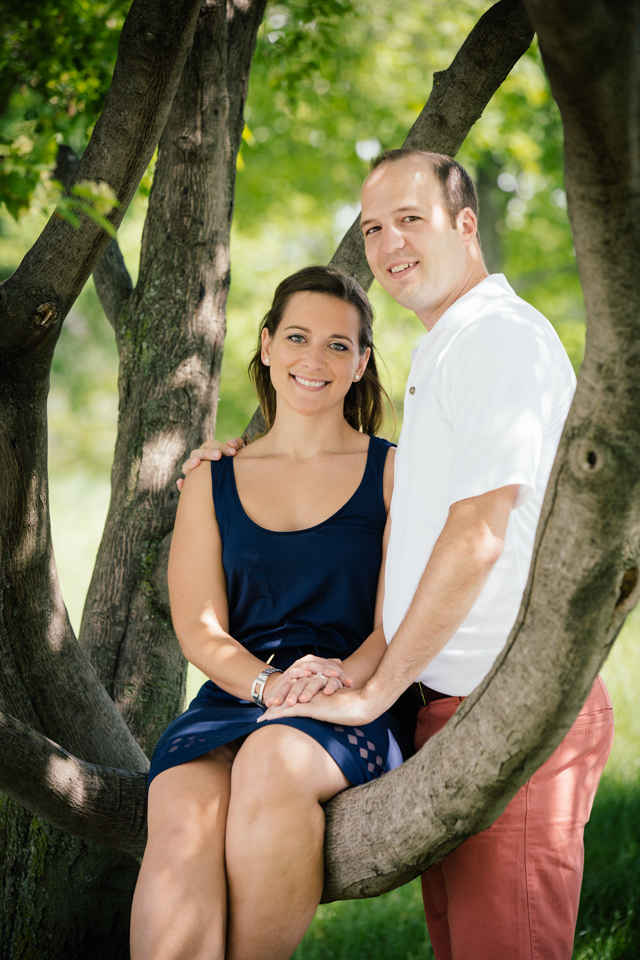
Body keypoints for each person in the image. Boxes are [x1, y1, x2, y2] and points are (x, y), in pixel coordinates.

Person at [190, 150, 614, 960]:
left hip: (512, 707)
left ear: (465, 224)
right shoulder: (448, 348)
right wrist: (357, 672)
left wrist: (369, 692)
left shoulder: (499, 340)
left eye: (410, 220)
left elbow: (478, 534)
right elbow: (414, 540)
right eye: (374, 226)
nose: (389, 245)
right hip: (451, 712)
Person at [130, 265, 415, 960]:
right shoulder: (213, 477)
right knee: (178, 810)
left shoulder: (395, 472)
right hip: (236, 695)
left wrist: (330, 684)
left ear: (362, 363)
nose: (313, 360)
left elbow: (395, 623)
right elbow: (198, 626)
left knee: (270, 759)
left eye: (338, 346)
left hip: (352, 701)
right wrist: (266, 684)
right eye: (296, 337)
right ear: (265, 346)